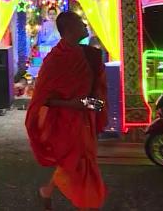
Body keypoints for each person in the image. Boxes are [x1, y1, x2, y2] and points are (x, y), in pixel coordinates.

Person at [26, 11, 108, 211]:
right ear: (70, 29)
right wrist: (72, 104)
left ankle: (48, 191)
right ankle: (88, 203)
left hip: (85, 117)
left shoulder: (90, 55)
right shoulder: (55, 60)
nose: (85, 25)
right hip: (65, 121)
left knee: (80, 160)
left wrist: (93, 104)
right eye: (80, 22)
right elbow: (43, 99)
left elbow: (95, 92)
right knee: (75, 161)